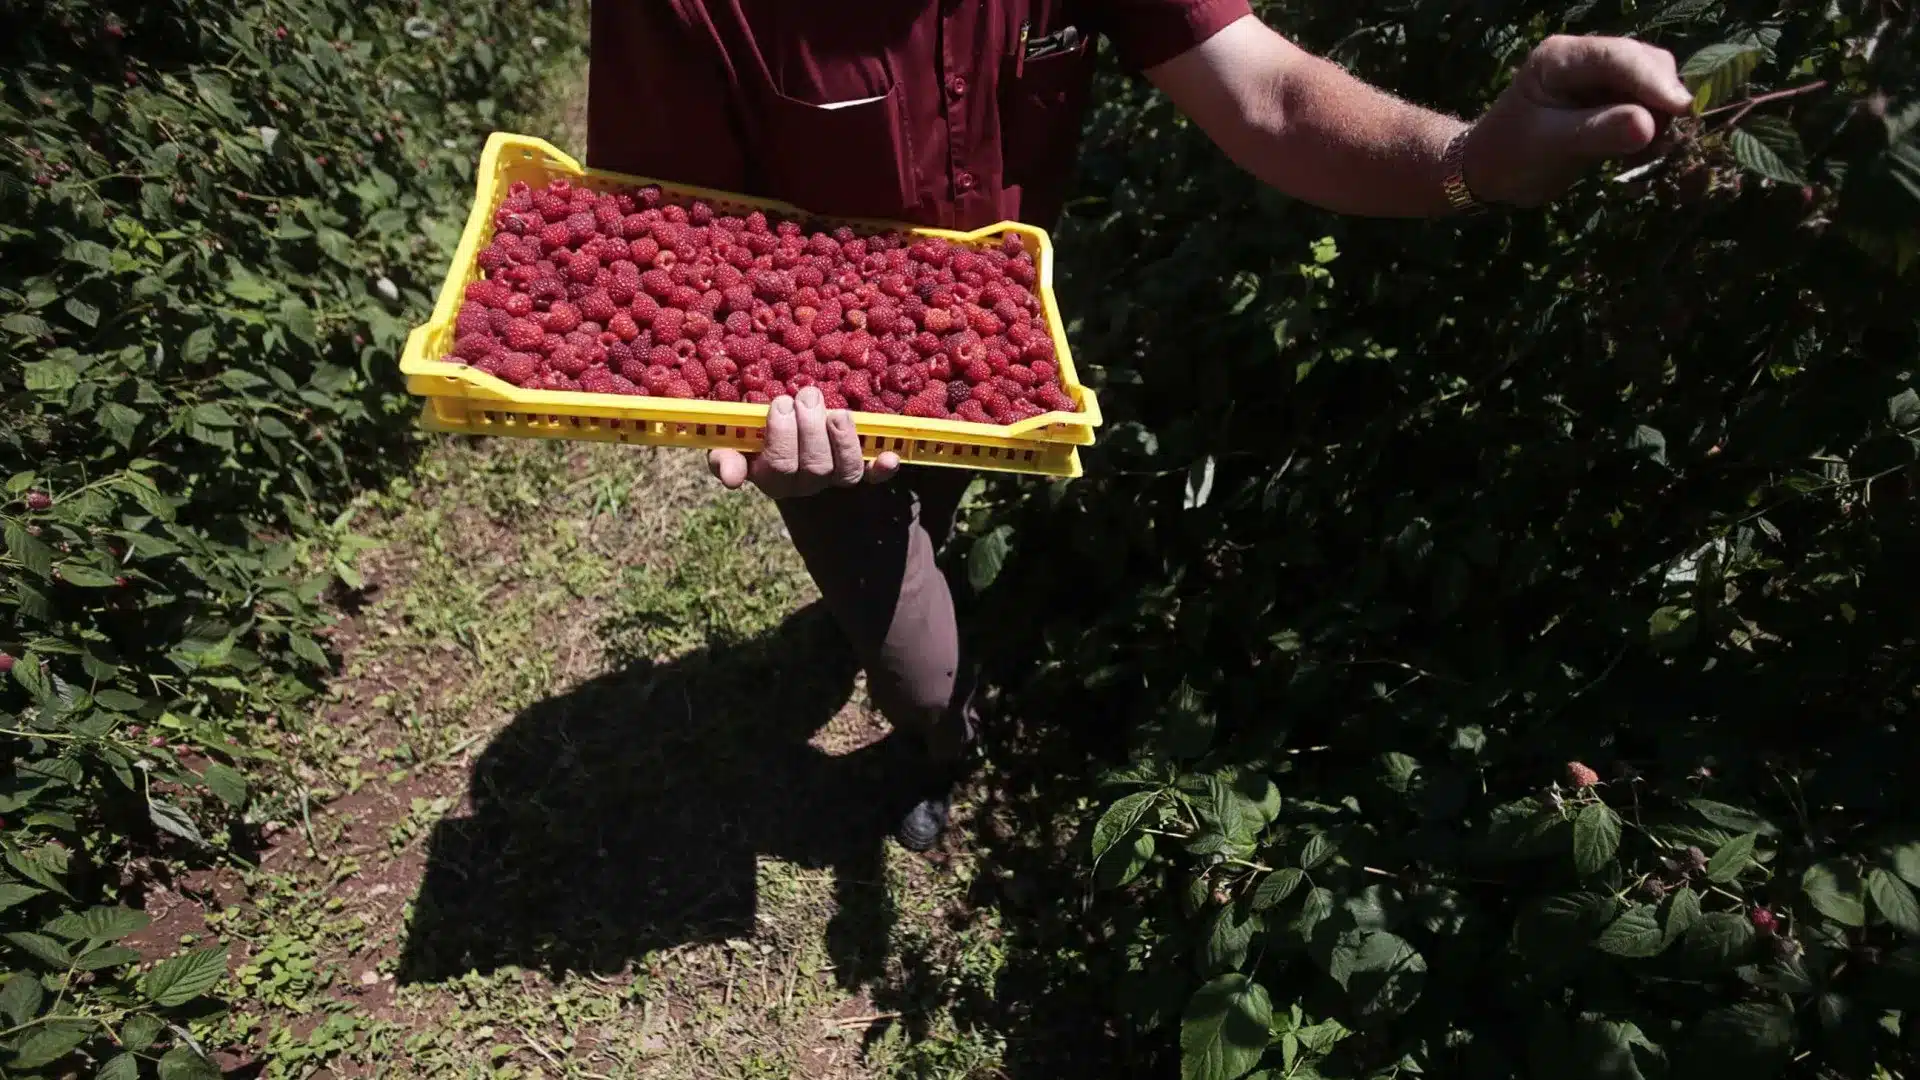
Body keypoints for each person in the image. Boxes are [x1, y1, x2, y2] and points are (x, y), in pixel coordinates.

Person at [586, 1, 1695, 851]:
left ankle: (921, 546)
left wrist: (1472, 161)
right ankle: (940, 737)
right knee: (914, 656)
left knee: (932, 501)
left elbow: (1268, 94)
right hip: (810, 374)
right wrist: (746, 412)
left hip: (982, 335)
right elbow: (680, 243)